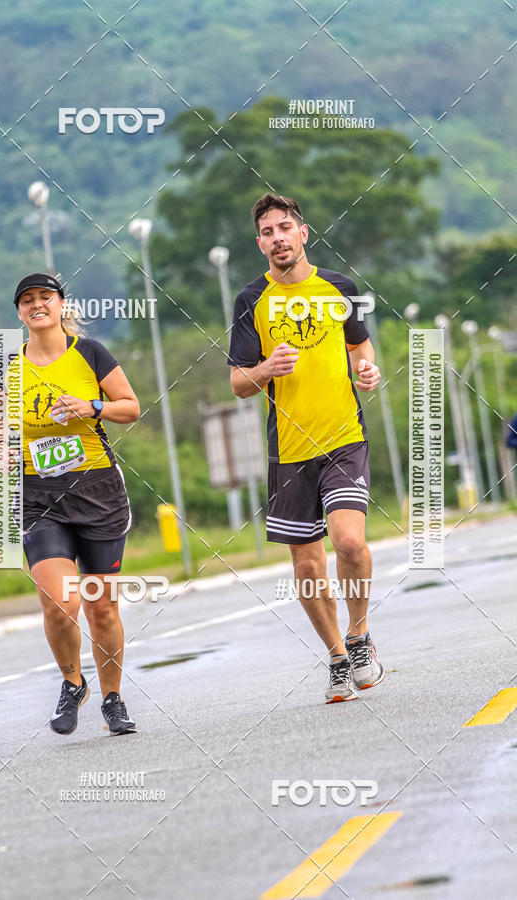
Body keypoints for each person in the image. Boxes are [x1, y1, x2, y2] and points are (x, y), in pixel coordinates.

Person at [228, 194, 384, 703]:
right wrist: (265, 369)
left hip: (343, 437)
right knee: (308, 565)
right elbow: (238, 382)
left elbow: (359, 344)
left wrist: (366, 369)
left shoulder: (339, 287)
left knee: (349, 542)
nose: (277, 238)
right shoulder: (250, 300)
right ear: (259, 244)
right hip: (290, 451)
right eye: (267, 232)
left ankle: (359, 636)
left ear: (303, 233)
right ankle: (337, 658)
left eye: (284, 227)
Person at [0, 273, 140, 735]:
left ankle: (113, 699)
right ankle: (73, 683)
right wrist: (4, 451)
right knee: (61, 602)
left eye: (45, 297)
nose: (37, 305)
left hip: (97, 493)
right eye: (27, 300)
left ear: (60, 305)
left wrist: (92, 406)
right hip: (38, 498)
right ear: (20, 312)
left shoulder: (90, 353)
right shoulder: (6, 368)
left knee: (102, 608)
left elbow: (130, 407)